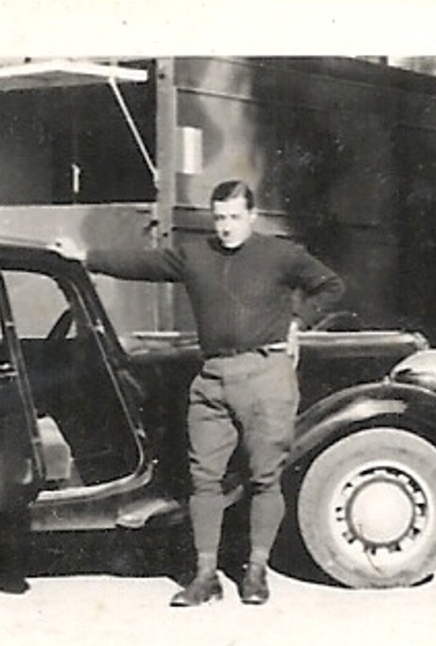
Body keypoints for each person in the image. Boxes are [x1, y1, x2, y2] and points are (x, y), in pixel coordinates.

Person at [54, 179, 346, 606]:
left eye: (233, 217)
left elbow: (331, 285)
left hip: (266, 375)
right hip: (212, 377)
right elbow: (143, 263)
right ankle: (205, 576)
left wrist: (298, 322)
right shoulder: (196, 254)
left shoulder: (280, 255)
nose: (226, 227)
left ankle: (257, 572)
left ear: (251, 216)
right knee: (203, 479)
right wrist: (86, 256)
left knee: (265, 477)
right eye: (220, 218)